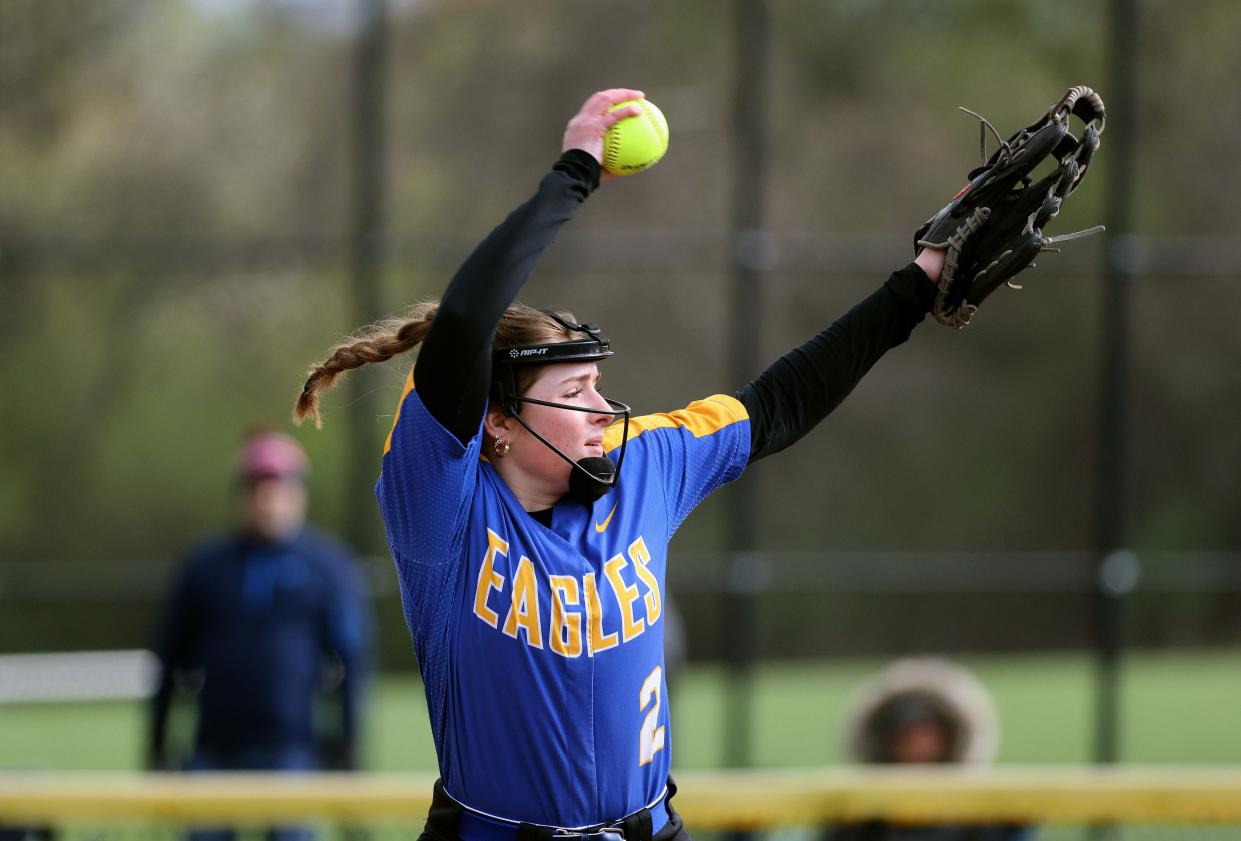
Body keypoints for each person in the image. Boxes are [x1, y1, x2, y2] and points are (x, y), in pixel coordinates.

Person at [294, 88, 947, 841]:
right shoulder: (442, 506)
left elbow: (777, 404)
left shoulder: (642, 465)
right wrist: (576, 169)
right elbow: (468, 321)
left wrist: (915, 287)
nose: (604, 408)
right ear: (499, 423)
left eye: (598, 384)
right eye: (574, 391)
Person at [148, 428, 374, 840]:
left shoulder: (329, 569)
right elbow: (168, 659)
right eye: (258, 489)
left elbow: (354, 663)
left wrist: (349, 747)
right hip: (213, 748)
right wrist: (158, 742)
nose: (269, 502)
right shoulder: (202, 568)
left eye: (280, 490)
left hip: (291, 751)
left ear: (300, 495)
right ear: (241, 496)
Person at [822, 659, 1031, 841]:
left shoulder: (978, 817)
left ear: (949, 739)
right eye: (910, 735)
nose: (921, 745)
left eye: (930, 734)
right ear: (889, 741)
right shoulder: (862, 818)